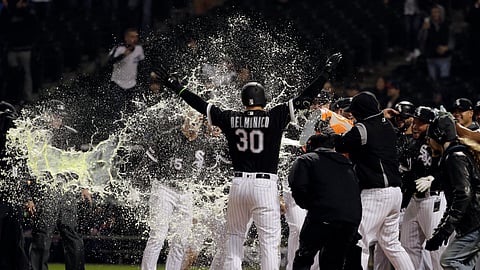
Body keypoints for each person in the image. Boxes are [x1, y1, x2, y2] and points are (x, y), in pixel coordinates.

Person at [151, 52, 342, 270]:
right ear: (264, 99)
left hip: (239, 185)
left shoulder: (231, 118)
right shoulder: (275, 116)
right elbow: (305, 97)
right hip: (264, 185)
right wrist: (326, 72)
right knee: (268, 245)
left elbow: (199, 104)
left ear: (243, 100)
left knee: (234, 241)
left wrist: (174, 85)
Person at [335, 91, 415, 270]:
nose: (353, 114)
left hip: (376, 193)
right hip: (395, 193)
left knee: (357, 240)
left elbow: (341, 144)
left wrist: (332, 131)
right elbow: (375, 123)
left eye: (355, 111)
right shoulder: (387, 125)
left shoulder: (363, 128)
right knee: (391, 244)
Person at [288, 131, 362, 270]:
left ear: (310, 146)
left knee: (304, 257)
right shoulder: (346, 163)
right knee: (332, 262)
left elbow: (298, 187)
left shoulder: (306, 160)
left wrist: (311, 205)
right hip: (350, 221)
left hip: (322, 216)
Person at [424, 113, 480, 269]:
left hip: (474, 224)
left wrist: (444, 232)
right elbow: (455, 198)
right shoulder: (456, 154)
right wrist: (442, 230)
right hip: (473, 223)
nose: (428, 142)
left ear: (439, 135)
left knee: (449, 261)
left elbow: (463, 195)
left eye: (430, 136)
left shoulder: (455, 156)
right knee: (464, 264)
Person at [399, 106, 448, 270]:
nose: (415, 126)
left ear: (430, 124)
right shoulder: (413, 143)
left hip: (433, 199)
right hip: (414, 200)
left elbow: (449, 169)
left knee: (436, 250)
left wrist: (433, 179)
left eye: (420, 123)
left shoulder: (439, 142)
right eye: (414, 121)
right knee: (407, 247)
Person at [0, 101, 29, 270]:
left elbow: (23, 169)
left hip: (13, 195)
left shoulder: (19, 142)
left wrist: (25, 196)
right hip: (7, 194)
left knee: (15, 237)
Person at [108, 27, 145, 114]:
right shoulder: (118, 48)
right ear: (126, 38)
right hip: (118, 84)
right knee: (118, 111)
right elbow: (109, 62)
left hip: (132, 85)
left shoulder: (139, 49)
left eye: (136, 37)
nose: (134, 39)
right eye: (132, 37)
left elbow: (142, 65)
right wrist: (123, 55)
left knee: (133, 111)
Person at [418, 4, 453, 82]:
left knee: (444, 82)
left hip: (444, 58)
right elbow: (421, 40)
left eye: (437, 12)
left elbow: (452, 40)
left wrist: (446, 47)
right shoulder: (427, 25)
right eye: (433, 12)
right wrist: (423, 30)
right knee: (433, 82)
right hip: (431, 57)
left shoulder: (446, 24)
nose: (435, 14)